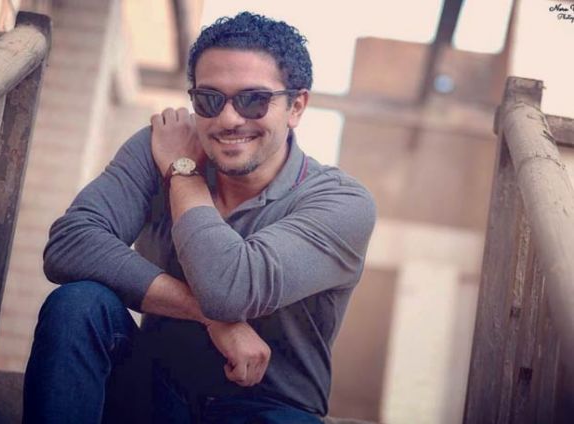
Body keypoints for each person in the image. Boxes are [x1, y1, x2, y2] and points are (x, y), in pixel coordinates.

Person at [23, 11, 376, 424]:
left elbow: (228, 291)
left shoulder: (341, 202)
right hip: (154, 395)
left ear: (296, 106)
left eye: (253, 99)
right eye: (209, 99)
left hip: (269, 409)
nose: (228, 119)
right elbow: (69, 244)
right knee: (79, 303)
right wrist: (210, 319)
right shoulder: (163, 143)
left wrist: (183, 173)